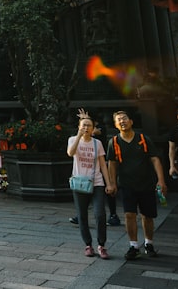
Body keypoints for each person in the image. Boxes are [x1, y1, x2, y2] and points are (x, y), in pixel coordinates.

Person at [106, 110, 167, 260]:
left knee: (147, 216)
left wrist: (161, 180)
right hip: (127, 184)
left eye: (125, 118)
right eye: (118, 120)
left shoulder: (143, 139)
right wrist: (112, 183)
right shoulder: (113, 142)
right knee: (129, 215)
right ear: (115, 125)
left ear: (131, 121)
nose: (122, 121)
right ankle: (133, 245)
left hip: (146, 183)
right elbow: (112, 164)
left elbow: (155, 160)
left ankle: (149, 243)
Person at [67, 111, 112, 259]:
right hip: (80, 183)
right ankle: (88, 244)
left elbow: (103, 165)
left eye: (89, 126)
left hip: (96, 183)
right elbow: (70, 153)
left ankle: (101, 245)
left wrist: (109, 183)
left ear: (93, 129)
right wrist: (79, 136)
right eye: (84, 125)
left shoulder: (97, 143)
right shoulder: (73, 139)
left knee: (100, 214)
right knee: (82, 215)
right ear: (79, 127)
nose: (86, 128)